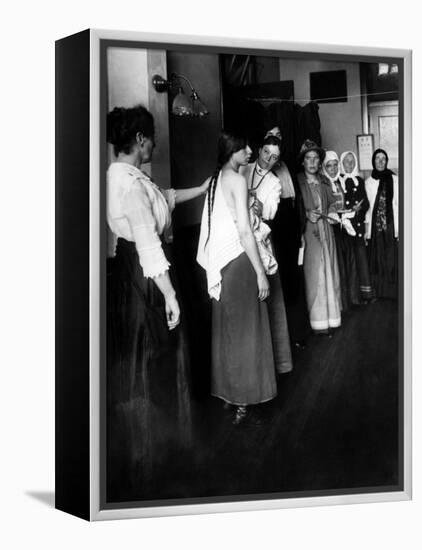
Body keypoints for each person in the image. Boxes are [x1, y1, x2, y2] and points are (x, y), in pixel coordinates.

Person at [106, 104, 209, 496]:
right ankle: (154, 460)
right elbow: (149, 245)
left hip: (140, 272)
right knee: (155, 361)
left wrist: (200, 189)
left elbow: (162, 200)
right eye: (152, 138)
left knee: (149, 361)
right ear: (139, 140)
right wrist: (170, 295)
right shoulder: (129, 185)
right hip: (145, 277)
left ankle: (159, 453)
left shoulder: (126, 177)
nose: (155, 144)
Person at [197, 131, 278, 425]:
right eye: (245, 147)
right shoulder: (238, 179)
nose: (250, 151)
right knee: (247, 330)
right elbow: (245, 232)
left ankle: (230, 394)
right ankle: (244, 396)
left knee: (228, 329)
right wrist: (260, 273)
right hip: (241, 260)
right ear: (233, 150)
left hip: (221, 262)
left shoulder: (218, 177)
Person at [241, 135, 293, 374]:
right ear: (259, 150)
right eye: (266, 154)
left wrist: (256, 203)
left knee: (268, 297)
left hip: (260, 236)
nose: (269, 161)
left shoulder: (275, 182)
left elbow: (270, 212)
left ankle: (272, 362)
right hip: (239, 237)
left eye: (274, 158)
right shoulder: (243, 167)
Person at [264, 126, 311, 347]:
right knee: (280, 280)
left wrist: (300, 230)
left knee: (294, 279)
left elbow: (297, 200)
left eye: (280, 137)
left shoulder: (286, 166)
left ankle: (298, 333)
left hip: (291, 225)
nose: (277, 140)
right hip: (275, 227)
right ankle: (285, 340)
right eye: (273, 136)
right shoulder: (262, 170)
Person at [297, 140, 342, 334]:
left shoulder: (324, 181)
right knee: (315, 275)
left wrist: (332, 212)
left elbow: (333, 203)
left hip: (327, 233)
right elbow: (292, 210)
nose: (313, 162)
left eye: (316, 158)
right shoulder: (297, 181)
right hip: (309, 234)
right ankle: (317, 323)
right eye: (308, 158)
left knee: (329, 272)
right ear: (303, 162)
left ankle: (331, 319)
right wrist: (306, 214)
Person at [322, 151, 360, 310]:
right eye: (328, 166)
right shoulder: (324, 185)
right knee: (339, 266)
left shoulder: (341, 181)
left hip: (345, 228)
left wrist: (351, 210)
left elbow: (345, 204)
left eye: (335, 165)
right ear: (324, 168)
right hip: (333, 229)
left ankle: (353, 298)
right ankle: (342, 302)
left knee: (350, 262)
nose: (332, 169)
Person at [339, 151, 373, 302]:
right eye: (347, 162)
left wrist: (357, 212)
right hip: (345, 229)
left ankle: (365, 294)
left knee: (361, 260)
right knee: (349, 263)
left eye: (352, 162)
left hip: (357, 227)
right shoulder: (338, 181)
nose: (350, 165)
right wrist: (350, 212)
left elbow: (365, 202)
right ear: (342, 163)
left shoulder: (359, 179)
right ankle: (352, 297)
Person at [365, 148, 399, 299]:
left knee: (392, 260)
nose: (380, 161)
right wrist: (367, 232)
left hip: (391, 227)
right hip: (376, 229)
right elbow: (367, 208)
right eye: (377, 158)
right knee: (377, 261)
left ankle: (393, 293)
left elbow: (399, 204)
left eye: (383, 158)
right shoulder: (368, 182)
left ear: (387, 161)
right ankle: (379, 293)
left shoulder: (395, 180)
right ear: (373, 161)